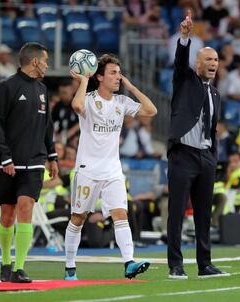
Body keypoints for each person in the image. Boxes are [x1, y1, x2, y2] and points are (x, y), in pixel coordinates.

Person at [64, 53, 157, 280]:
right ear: (100, 77)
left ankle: (129, 263)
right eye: (113, 73)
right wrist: (83, 81)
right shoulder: (89, 99)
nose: (118, 77)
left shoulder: (121, 102)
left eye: (119, 73)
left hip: (113, 170)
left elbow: (151, 111)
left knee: (120, 213)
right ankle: (69, 268)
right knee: (78, 217)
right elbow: (76, 105)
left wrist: (132, 88)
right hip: (87, 169)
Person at [0, 42, 58, 283]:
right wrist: (4, 156)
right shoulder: (4, 88)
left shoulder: (42, 89)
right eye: (46, 60)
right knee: (7, 214)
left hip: (35, 160)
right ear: (35, 61)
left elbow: (47, 125)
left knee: (26, 206)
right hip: (7, 162)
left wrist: (52, 155)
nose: (48, 65)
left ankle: (19, 268)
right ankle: (5, 262)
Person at [167, 11, 227, 280]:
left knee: (204, 214)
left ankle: (205, 264)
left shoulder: (215, 92)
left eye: (216, 60)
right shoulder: (185, 80)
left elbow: (212, 126)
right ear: (197, 63)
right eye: (208, 60)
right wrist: (185, 37)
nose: (213, 63)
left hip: (205, 157)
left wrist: (213, 155)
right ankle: (175, 265)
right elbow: (180, 61)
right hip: (183, 155)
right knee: (177, 213)